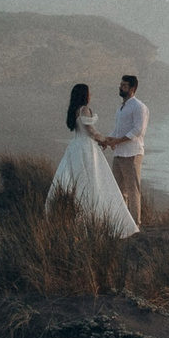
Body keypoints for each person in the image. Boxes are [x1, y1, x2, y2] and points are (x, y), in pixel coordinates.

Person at [48, 81, 138, 237]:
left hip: (76, 146)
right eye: (89, 92)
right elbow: (91, 131)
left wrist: (103, 140)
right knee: (93, 179)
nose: (91, 95)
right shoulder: (84, 109)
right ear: (85, 94)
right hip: (86, 148)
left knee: (78, 179)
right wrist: (106, 140)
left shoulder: (74, 110)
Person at [98, 73, 148, 226]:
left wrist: (118, 141)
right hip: (119, 153)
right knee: (119, 190)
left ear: (132, 88)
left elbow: (138, 130)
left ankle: (135, 223)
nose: (120, 88)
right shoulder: (121, 108)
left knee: (133, 190)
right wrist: (107, 140)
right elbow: (118, 130)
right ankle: (123, 222)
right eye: (120, 85)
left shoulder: (139, 107)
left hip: (132, 153)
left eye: (124, 86)